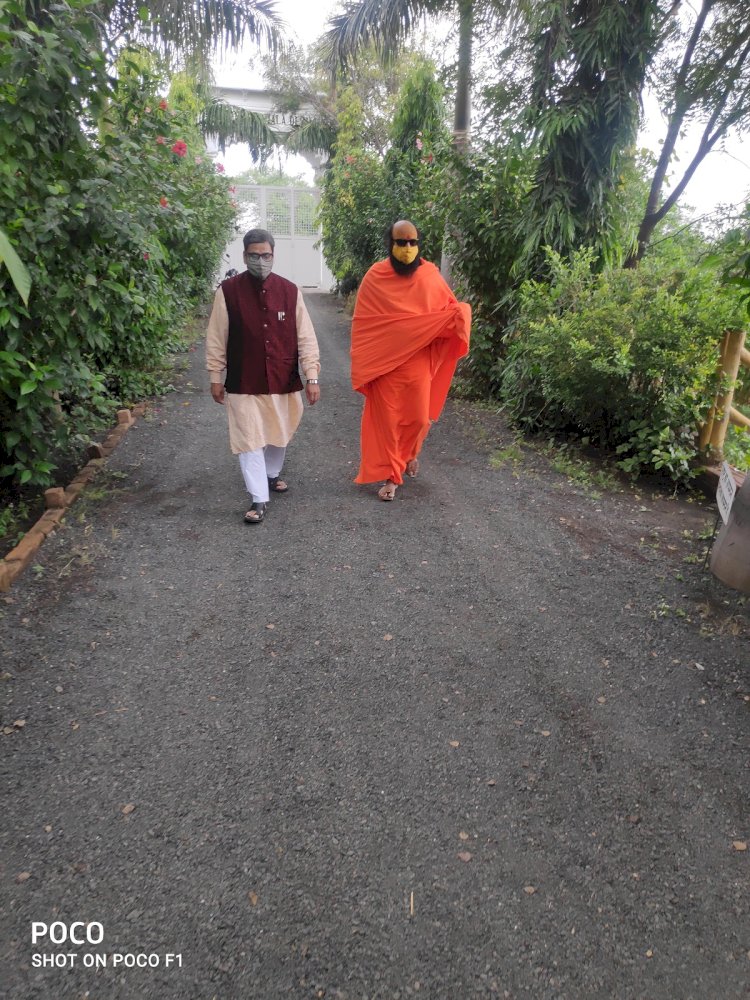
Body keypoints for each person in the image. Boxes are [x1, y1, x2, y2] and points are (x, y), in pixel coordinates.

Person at [206, 228, 321, 523]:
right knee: (249, 438)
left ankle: (271, 474)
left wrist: (312, 376)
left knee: (279, 431)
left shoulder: (290, 291)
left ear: (273, 255)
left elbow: (306, 337)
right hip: (243, 379)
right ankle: (258, 498)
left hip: (282, 376)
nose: (261, 261)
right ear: (245, 256)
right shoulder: (228, 292)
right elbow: (217, 336)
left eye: (266, 255)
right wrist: (216, 376)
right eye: (254, 256)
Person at [350, 219, 471, 501]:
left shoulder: (429, 276)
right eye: (401, 242)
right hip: (385, 364)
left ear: (418, 244)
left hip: (417, 362)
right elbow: (364, 324)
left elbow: (450, 311)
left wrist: (459, 316)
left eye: (412, 242)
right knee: (389, 422)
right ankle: (393, 476)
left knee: (417, 419)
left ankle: (409, 455)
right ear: (390, 243)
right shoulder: (375, 276)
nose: (407, 248)